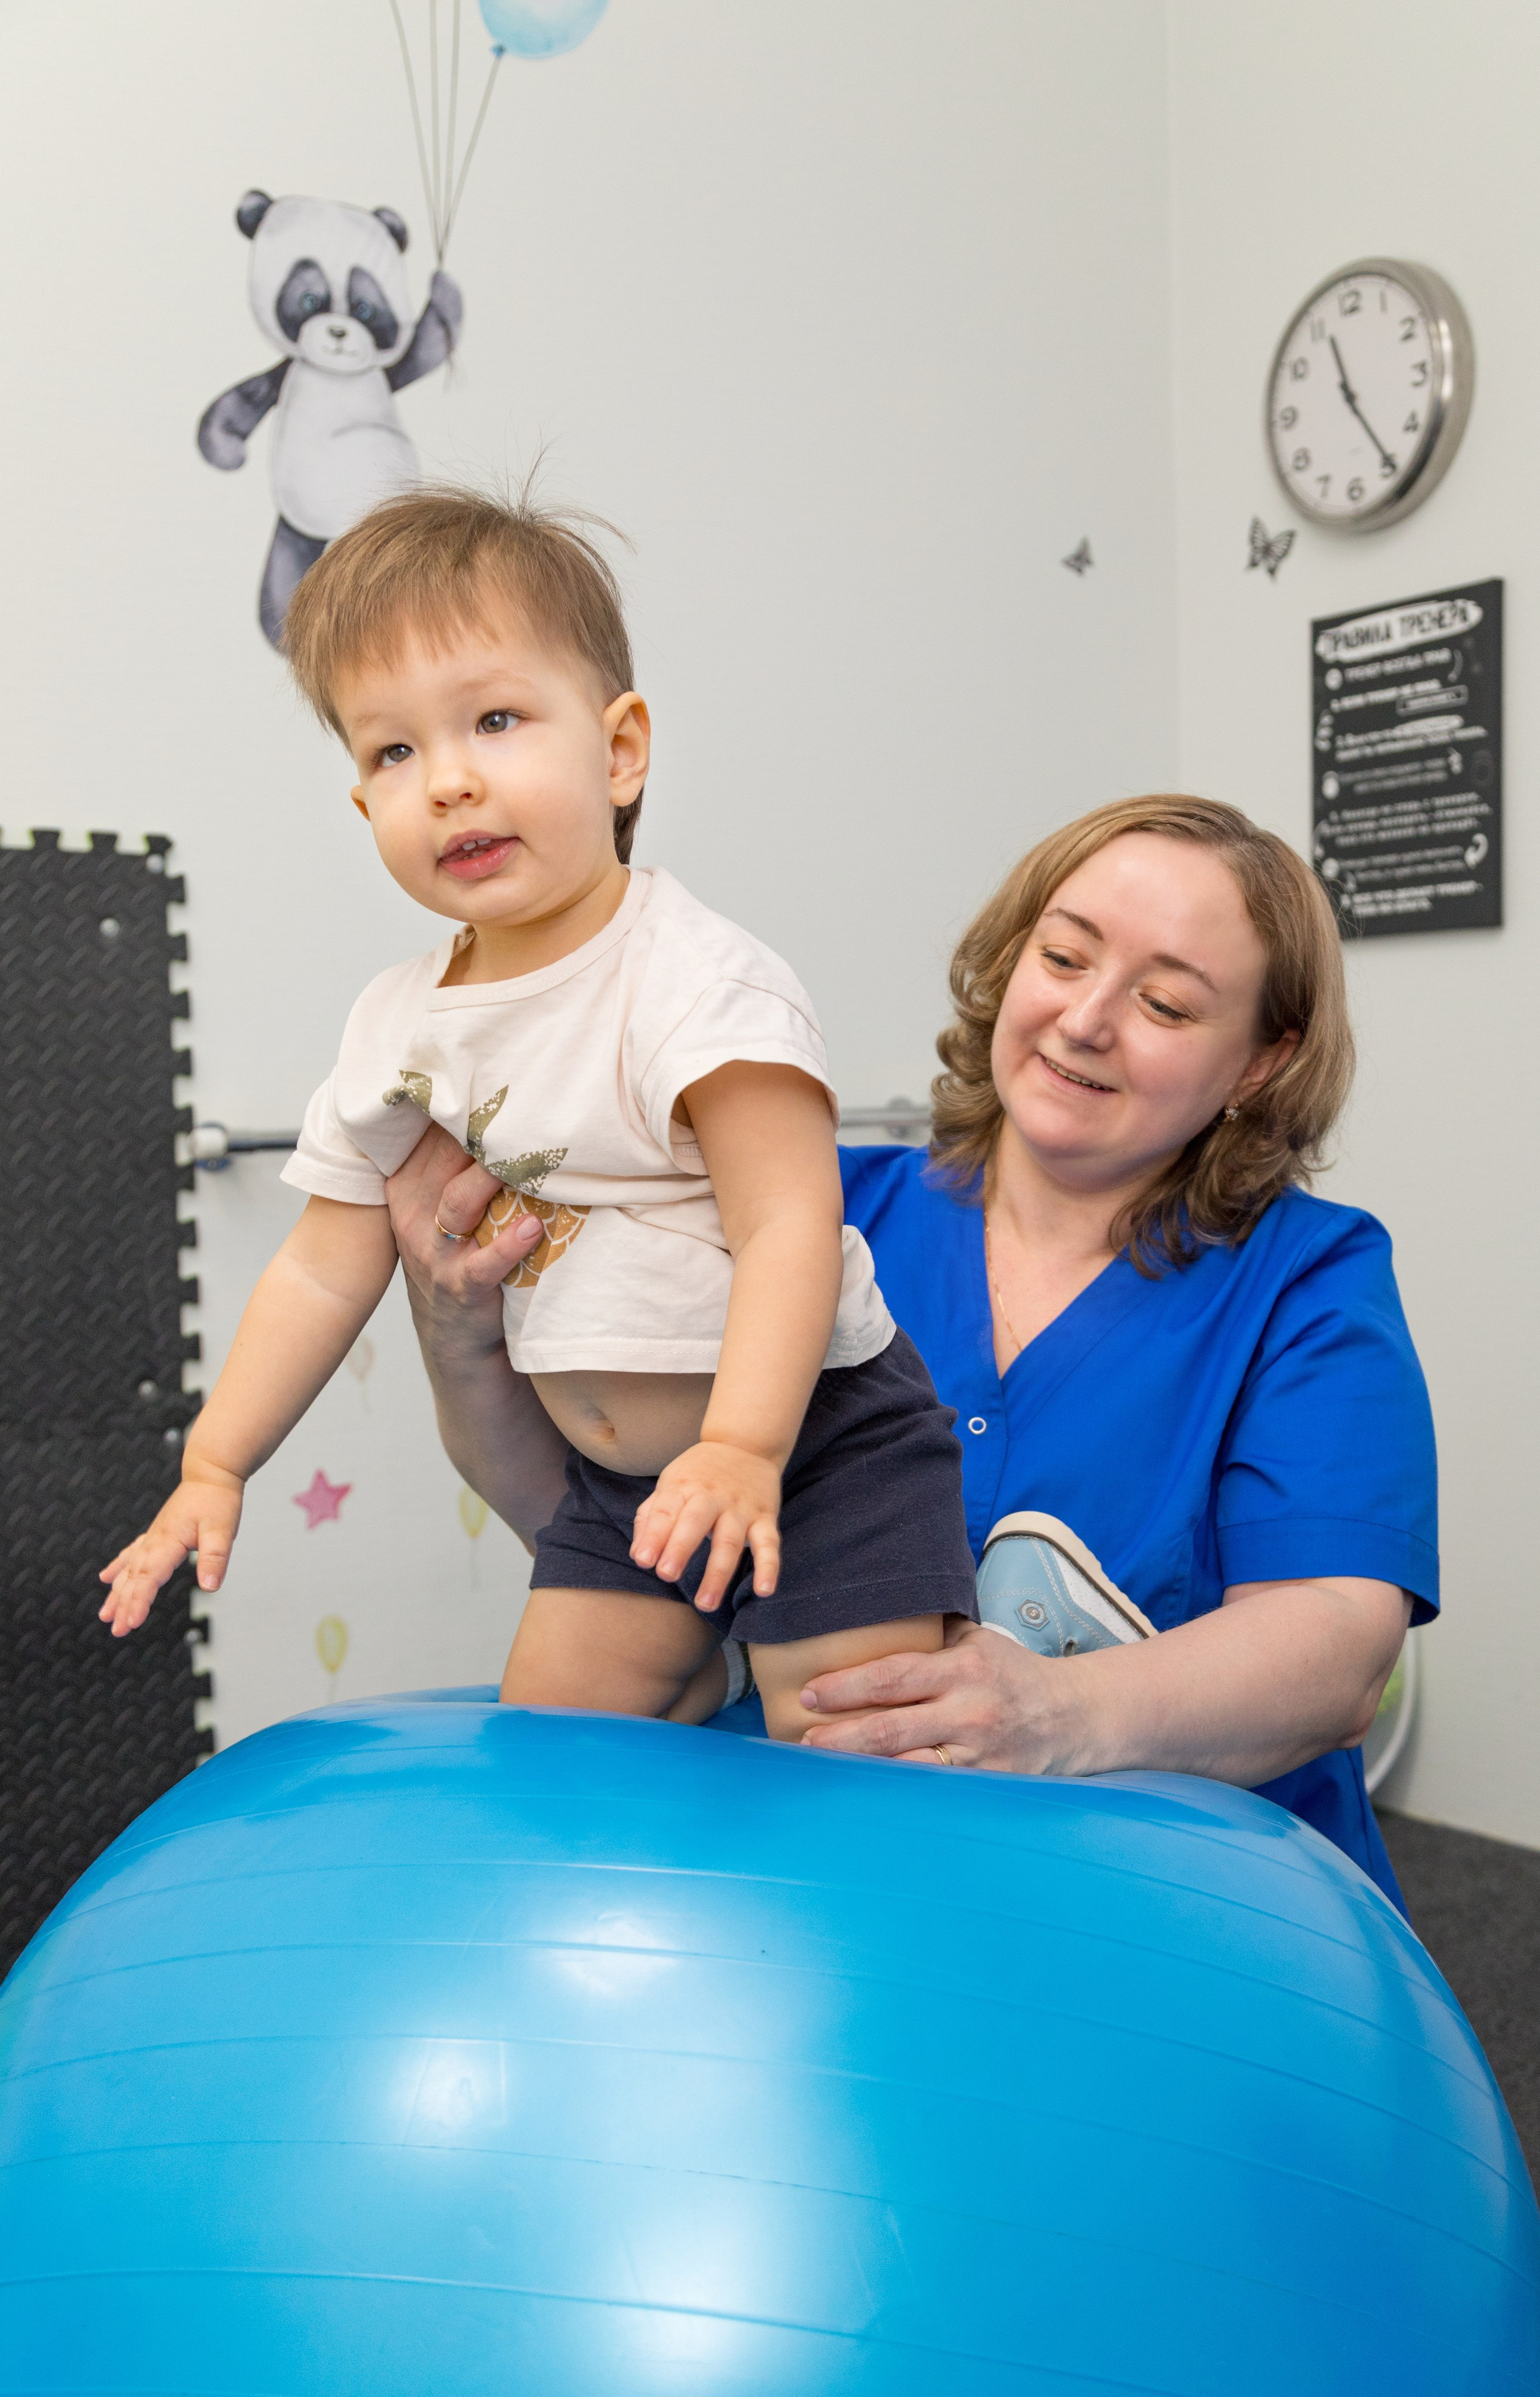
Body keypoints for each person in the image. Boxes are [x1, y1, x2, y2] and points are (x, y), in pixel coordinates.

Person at [392, 795, 1434, 1908]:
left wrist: (1060, 1713)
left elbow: (1339, 1649)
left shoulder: (1308, 1279)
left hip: (1181, 1901)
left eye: (1166, 1004)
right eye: (1063, 957)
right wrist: (459, 1337)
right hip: (819, 1879)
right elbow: (606, 1521)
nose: (1085, 1020)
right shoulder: (813, 1222)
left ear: (1261, 1065)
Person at [97, 487, 978, 1739]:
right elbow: (319, 1269)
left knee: (849, 1740)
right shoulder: (395, 1025)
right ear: (362, 804)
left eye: (496, 721)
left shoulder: (695, 981)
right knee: (557, 1748)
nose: (448, 782)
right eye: (393, 753)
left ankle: (802, 1684)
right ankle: (707, 1671)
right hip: (621, 1491)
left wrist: (741, 1448)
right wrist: (214, 1460)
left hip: (817, 1442)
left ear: (619, 752)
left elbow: (788, 1224)